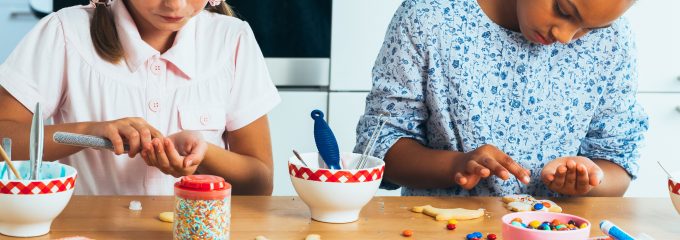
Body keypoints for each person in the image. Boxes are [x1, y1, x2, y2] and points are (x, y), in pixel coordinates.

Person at [355, 0, 648, 197]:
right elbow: (380, 150)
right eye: (563, 9)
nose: (566, 36)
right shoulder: (428, 17)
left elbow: (617, 162)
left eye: (590, 28)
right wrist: (455, 165)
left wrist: (587, 181)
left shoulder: (613, 42)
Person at [0, 0, 280, 195]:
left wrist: (205, 157)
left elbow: (260, 184)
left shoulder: (232, 39)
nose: (175, 5)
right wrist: (89, 130)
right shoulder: (64, 32)